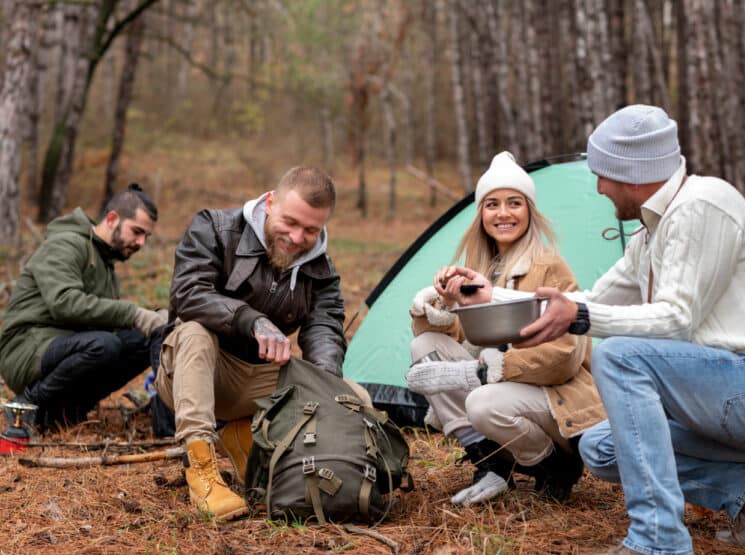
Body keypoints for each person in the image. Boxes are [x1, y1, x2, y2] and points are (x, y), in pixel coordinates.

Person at [471, 105, 745, 555]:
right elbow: (586, 300)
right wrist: (490, 295)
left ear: (631, 172)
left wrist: (580, 317)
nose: (600, 187)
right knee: (601, 446)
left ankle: (659, 541)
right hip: (721, 399)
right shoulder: (652, 232)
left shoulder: (703, 204)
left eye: (604, 175)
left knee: (621, 355)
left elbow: (675, 319)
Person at [155, 166, 366, 521]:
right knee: (194, 331)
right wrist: (250, 320)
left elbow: (324, 331)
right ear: (270, 202)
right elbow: (188, 294)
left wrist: (325, 388)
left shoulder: (321, 270)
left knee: (353, 397)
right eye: (290, 222)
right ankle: (202, 469)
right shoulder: (216, 229)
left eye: (311, 230)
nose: (297, 238)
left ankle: (248, 437)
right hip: (198, 373)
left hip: (262, 383)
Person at [404, 151, 604, 507]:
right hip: (504, 395)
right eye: (492, 204)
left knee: (482, 401)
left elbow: (565, 358)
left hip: (554, 401)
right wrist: (438, 308)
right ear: (480, 214)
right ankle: (491, 462)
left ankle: (556, 466)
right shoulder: (478, 268)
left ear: (529, 211)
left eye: (515, 203)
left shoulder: (549, 267)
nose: (503, 213)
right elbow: (467, 342)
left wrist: (483, 371)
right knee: (426, 347)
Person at [0, 183, 165, 428]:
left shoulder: (105, 263)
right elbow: (64, 303)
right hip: (25, 347)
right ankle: (30, 402)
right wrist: (134, 314)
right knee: (105, 345)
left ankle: (68, 408)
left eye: (146, 237)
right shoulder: (65, 245)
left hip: (63, 344)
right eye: (137, 231)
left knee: (139, 340)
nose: (141, 243)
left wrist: (157, 319)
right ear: (112, 219)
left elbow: (103, 322)